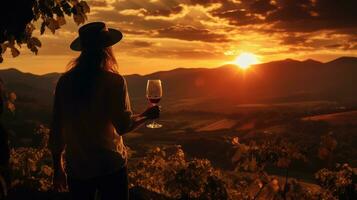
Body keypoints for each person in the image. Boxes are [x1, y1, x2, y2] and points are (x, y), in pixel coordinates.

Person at [49, 22, 160, 200]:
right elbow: (123, 126)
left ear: (83, 49)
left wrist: (58, 168)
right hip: (110, 166)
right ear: (107, 48)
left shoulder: (65, 82)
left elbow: (57, 127)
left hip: (78, 168)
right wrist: (147, 115)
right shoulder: (114, 81)